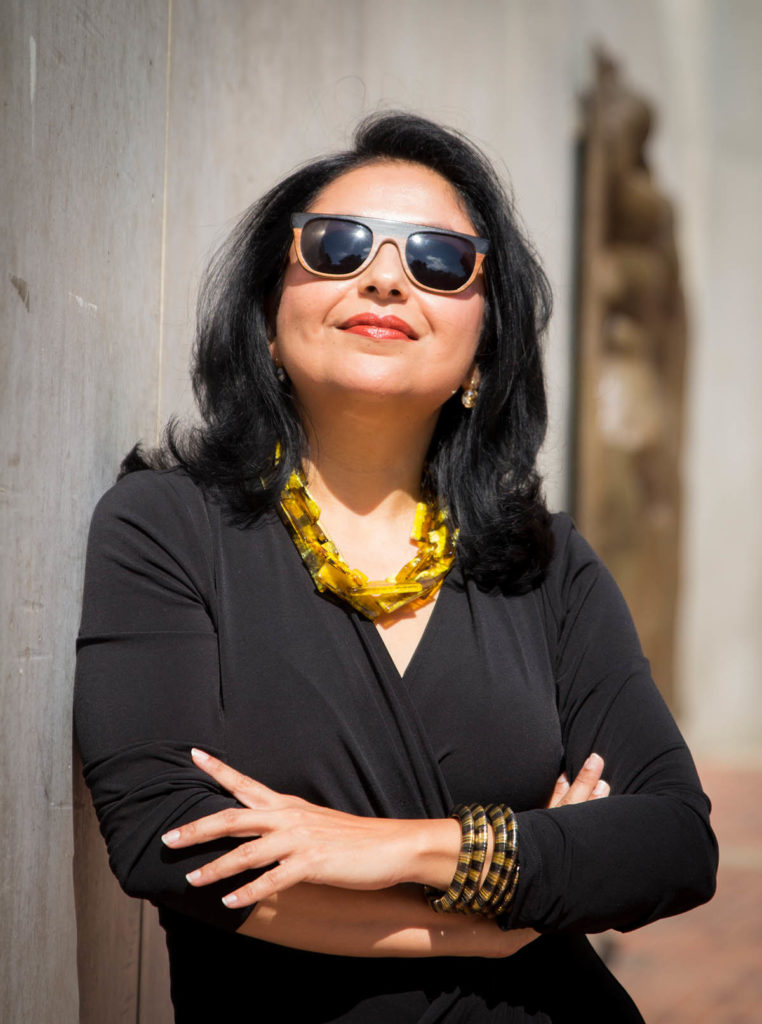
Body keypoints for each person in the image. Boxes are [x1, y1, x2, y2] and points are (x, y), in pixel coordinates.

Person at [74, 112, 717, 1022]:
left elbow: (672, 844)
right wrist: (508, 902)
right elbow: (164, 842)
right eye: (336, 247)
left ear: (483, 350)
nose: (384, 277)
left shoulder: (546, 566)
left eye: (440, 261)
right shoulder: (166, 529)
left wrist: (401, 851)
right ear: (266, 315)